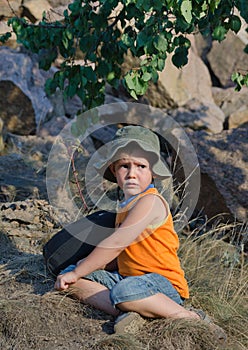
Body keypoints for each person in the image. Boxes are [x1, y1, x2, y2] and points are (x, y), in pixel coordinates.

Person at [54, 125, 226, 337]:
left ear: (153, 171)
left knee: (122, 290)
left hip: (161, 285)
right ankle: (129, 313)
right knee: (69, 280)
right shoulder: (126, 205)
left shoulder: (151, 201)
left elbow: (117, 242)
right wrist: (82, 270)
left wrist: (80, 270)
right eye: (124, 166)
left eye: (141, 166)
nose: (132, 173)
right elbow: (125, 253)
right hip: (129, 278)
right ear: (114, 170)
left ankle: (192, 318)